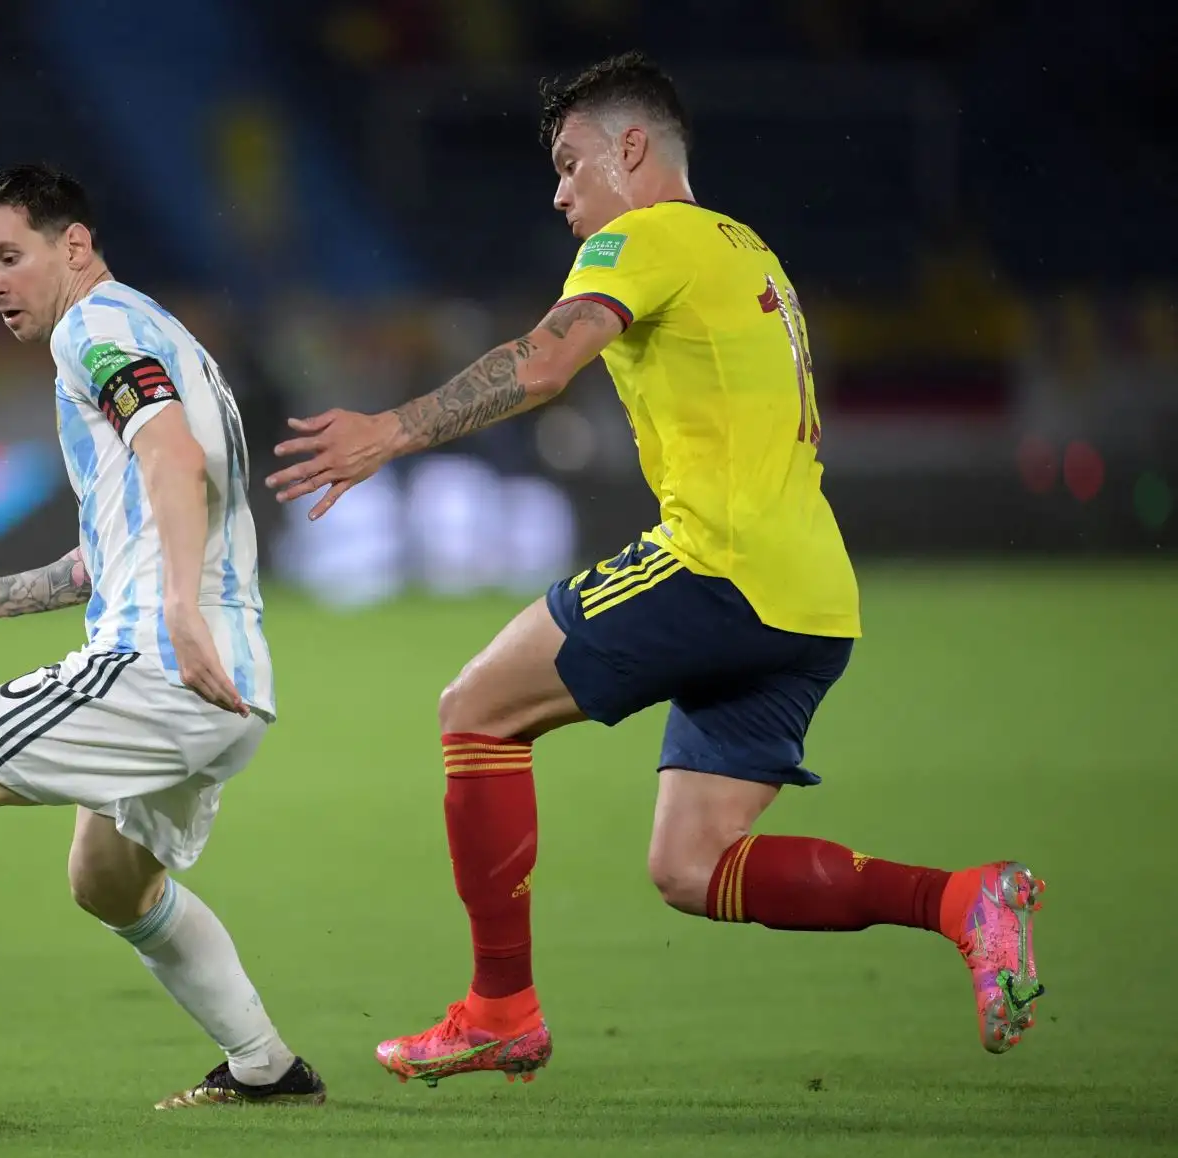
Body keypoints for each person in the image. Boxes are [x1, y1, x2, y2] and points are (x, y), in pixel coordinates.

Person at [264, 52, 1044, 1086]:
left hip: (720, 568)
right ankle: (963, 902)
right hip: (810, 597)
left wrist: (388, 432)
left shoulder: (648, 236)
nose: (559, 191)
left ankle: (499, 1010)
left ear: (632, 148)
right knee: (691, 867)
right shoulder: (746, 247)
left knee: (476, 708)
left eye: (571, 161)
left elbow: (543, 363)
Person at [0, 163, 325, 1112]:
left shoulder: (94, 328)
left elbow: (171, 456)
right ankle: (267, 1070)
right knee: (109, 881)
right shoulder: (159, 332)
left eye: (8, 256)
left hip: (161, 664)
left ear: (73, 247)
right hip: (231, 680)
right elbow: (132, 534)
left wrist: (179, 617)